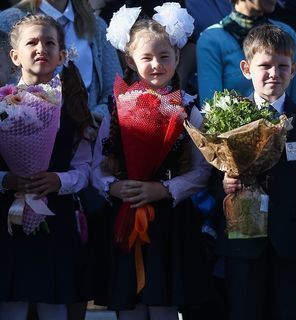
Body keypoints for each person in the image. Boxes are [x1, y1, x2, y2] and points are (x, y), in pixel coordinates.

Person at [92, 4, 215, 319]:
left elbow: (202, 170)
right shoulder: (115, 108)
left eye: (164, 57)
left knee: (163, 304)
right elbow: (98, 165)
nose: (157, 65)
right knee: (130, 304)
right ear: (129, 60)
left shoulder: (190, 109)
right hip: (126, 213)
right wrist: (115, 187)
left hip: (170, 221)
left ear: (177, 56)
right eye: (147, 58)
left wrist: (164, 190)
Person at [216, 24, 296, 320]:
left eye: (282, 66)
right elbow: (210, 175)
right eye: (264, 65)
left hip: (288, 242)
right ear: (246, 68)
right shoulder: (228, 117)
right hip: (243, 239)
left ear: (294, 70)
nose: (273, 74)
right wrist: (224, 182)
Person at [0, 14, 93, 320]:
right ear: (15, 56)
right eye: (32, 42)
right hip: (9, 222)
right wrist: (8, 180)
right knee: (12, 304)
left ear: (62, 54)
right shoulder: (3, 106)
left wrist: (58, 180)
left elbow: (84, 168)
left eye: (50, 42)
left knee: (53, 304)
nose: (41, 48)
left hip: (57, 217)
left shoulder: (73, 107)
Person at [0, 0, 122, 123]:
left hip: (89, 133)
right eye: (32, 43)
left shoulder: (96, 26)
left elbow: (115, 90)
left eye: (49, 43)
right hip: (23, 128)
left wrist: (89, 120)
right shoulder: (8, 20)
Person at [196, 0, 296, 107]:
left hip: (288, 124)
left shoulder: (287, 34)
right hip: (235, 127)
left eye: (282, 66)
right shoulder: (211, 39)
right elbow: (211, 108)